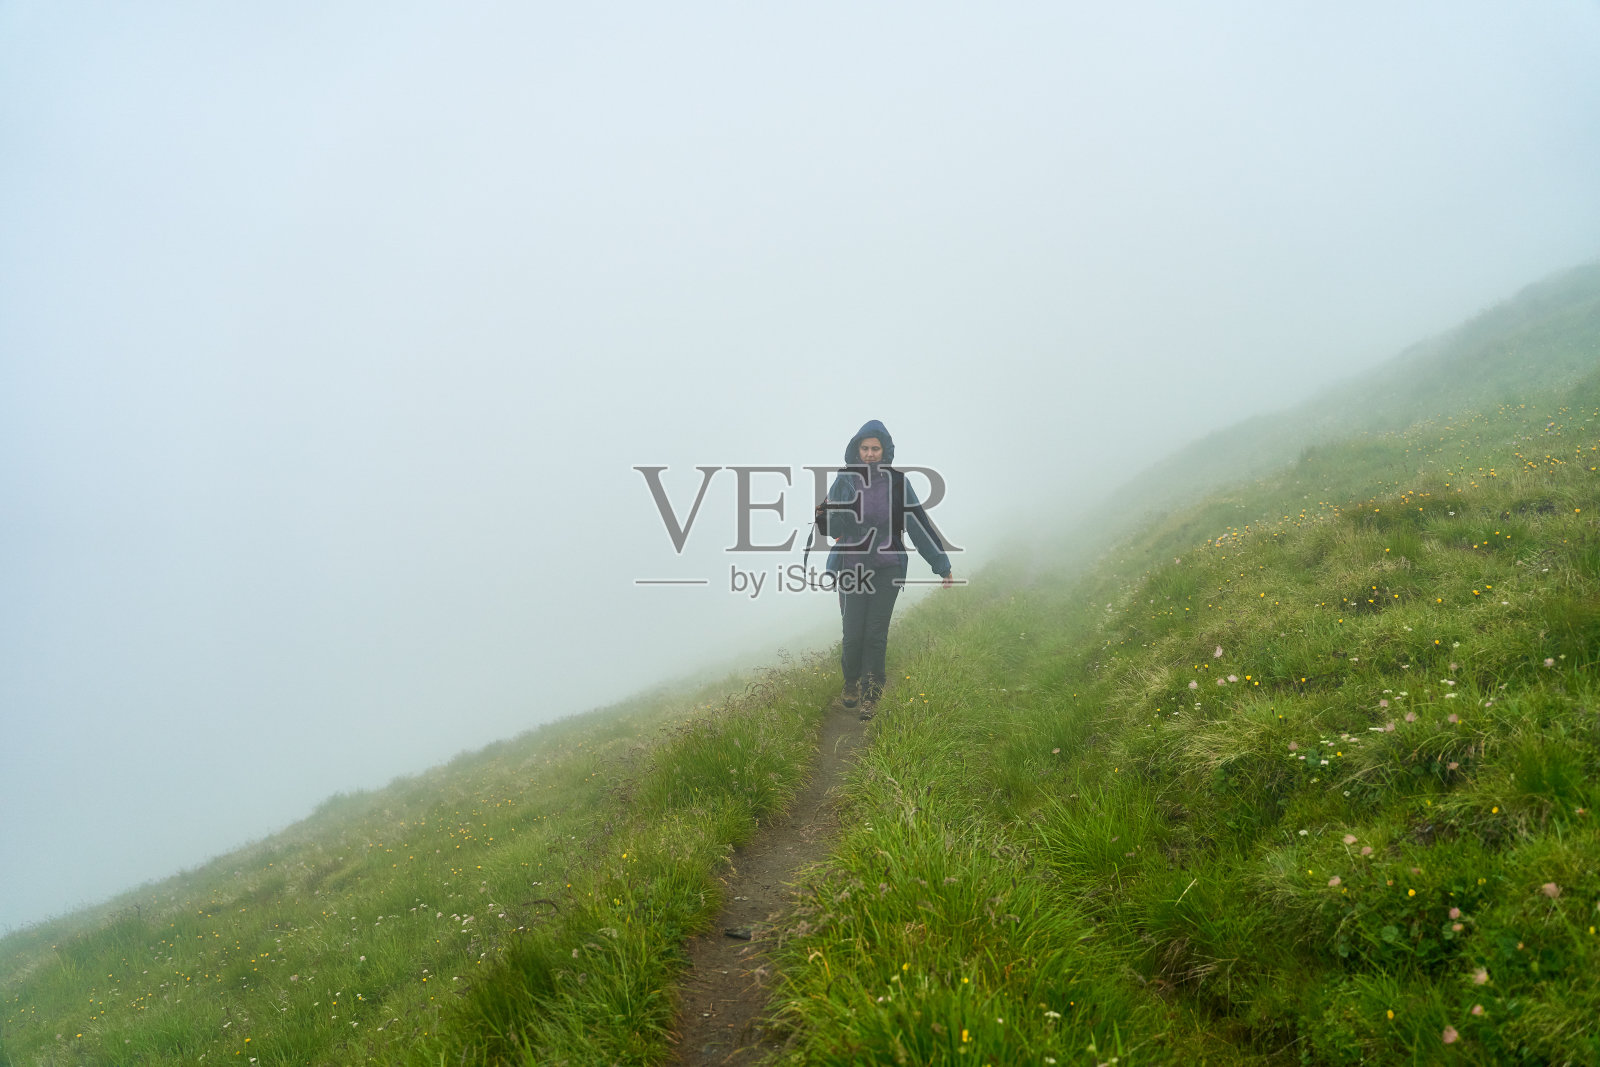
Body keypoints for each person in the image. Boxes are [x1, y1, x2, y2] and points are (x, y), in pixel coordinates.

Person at [821, 420, 954, 720]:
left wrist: (941, 564)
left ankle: (872, 693)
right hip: (852, 567)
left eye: (875, 448)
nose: (869, 453)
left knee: (876, 633)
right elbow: (832, 530)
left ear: (885, 451)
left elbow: (918, 525)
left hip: (887, 566)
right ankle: (851, 683)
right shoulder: (844, 481)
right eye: (864, 448)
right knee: (853, 633)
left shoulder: (897, 483)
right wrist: (827, 515)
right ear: (857, 450)